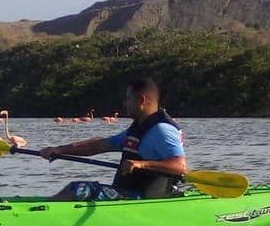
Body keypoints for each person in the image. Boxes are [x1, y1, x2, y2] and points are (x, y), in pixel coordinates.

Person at [40, 78, 187, 200]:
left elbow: (180, 167)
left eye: (128, 99)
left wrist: (142, 164)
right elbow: (99, 145)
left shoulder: (162, 129)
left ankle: (42, 212)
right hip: (127, 192)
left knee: (78, 189)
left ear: (141, 100)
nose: (125, 103)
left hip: (142, 197)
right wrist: (59, 150)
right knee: (77, 189)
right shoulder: (139, 128)